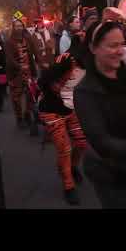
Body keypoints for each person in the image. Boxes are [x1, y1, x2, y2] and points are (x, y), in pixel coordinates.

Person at [73, 20, 126, 208]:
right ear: (94, 48)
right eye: (112, 45)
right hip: (112, 175)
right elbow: (102, 141)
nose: (119, 51)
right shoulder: (85, 92)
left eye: (122, 44)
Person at [38, 53, 87, 205]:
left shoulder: (89, 64)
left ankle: (72, 167)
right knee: (64, 148)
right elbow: (43, 80)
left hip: (70, 110)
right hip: (51, 110)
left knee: (82, 143)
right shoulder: (66, 60)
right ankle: (68, 186)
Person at [5, 19, 45, 129]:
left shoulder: (28, 38)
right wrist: (19, 66)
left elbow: (35, 52)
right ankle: (19, 119)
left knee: (30, 95)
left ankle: (27, 114)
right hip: (16, 74)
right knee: (16, 98)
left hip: (29, 72)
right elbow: (9, 58)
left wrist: (41, 63)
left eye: (20, 26)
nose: (19, 28)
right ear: (13, 28)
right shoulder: (9, 42)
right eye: (17, 26)